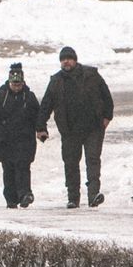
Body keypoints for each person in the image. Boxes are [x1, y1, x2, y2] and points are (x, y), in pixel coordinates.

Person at [37, 46, 114, 208]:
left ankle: (93, 195)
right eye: (63, 59)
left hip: (93, 127)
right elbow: (46, 105)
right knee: (71, 163)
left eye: (69, 58)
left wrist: (107, 117)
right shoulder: (56, 81)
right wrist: (41, 127)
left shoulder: (91, 75)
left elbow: (107, 97)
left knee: (92, 160)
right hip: (69, 130)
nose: (66, 61)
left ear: (75, 60)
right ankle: (73, 198)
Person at [0, 62, 40, 208]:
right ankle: (11, 199)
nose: (16, 87)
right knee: (9, 170)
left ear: (23, 83)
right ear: (9, 82)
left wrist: (40, 129)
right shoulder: (0, 96)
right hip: (6, 141)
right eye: (14, 84)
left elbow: (38, 115)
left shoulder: (29, 97)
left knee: (23, 167)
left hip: (24, 140)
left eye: (19, 84)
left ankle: (25, 195)